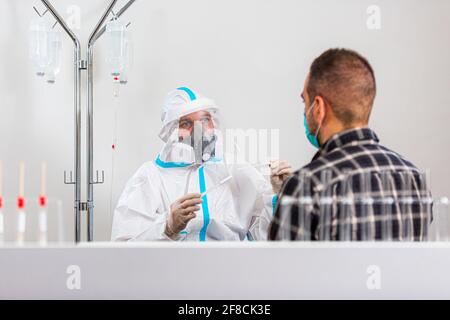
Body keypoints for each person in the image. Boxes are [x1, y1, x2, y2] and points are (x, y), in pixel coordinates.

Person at [269, 48, 432, 241]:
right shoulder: (414, 179)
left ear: (319, 108)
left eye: (305, 102)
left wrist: (288, 197)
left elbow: (279, 268)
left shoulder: (306, 186)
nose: (305, 112)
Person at [111, 87, 292, 241]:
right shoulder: (150, 177)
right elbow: (125, 250)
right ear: (172, 131)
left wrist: (277, 195)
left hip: (231, 276)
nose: (200, 129)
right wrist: (167, 227)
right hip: (172, 278)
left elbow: (264, 239)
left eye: (205, 119)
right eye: (187, 123)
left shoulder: (235, 169)